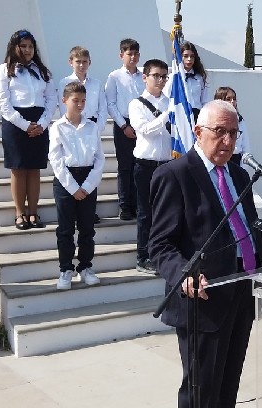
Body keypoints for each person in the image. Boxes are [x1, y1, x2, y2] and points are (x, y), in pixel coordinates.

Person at [149, 100, 262, 408]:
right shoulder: (174, 175)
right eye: (220, 131)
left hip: (243, 291)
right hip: (203, 297)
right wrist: (184, 274)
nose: (228, 141)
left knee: (227, 386)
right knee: (201, 391)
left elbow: (249, 231)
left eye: (234, 133)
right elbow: (160, 245)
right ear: (198, 132)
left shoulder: (239, 175)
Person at [0, 29, 57, 230]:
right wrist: (24, 124)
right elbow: (3, 103)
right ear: (14, 47)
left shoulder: (43, 71)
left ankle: (33, 212)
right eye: (23, 46)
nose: (27, 50)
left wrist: (43, 123)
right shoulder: (3, 70)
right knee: (19, 168)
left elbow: (51, 99)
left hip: (39, 121)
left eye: (30, 46)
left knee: (34, 169)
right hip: (15, 123)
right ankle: (19, 213)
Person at [49, 82, 104, 290]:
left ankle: (85, 266)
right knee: (65, 229)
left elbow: (99, 158)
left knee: (87, 228)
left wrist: (87, 186)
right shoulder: (57, 127)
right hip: (66, 179)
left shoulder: (92, 127)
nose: (80, 105)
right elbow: (56, 159)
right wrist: (73, 188)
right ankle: (66, 269)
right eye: (75, 101)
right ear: (64, 101)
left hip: (88, 177)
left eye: (83, 101)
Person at [128, 59, 172, 275]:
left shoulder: (170, 102)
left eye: (164, 76)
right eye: (156, 76)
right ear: (145, 77)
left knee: (166, 212)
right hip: (146, 165)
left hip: (167, 164)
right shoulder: (136, 104)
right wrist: (166, 116)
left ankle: (162, 253)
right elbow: (145, 130)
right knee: (146, 213)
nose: (160, 80)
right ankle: (143, 256)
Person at [57, 46, 107, 224]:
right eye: (78, 61)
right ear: (71, 62)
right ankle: (74, 211)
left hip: (91, 128)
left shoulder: (97, 84)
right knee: (76, 164)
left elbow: (102, 109)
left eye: (85, 62)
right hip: (72, 127)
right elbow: (64, 107)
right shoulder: (64, 83)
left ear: (89, 63)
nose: (81, 65)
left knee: (90, 165)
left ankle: (89, 211)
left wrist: (96, 129)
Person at [105, 38, 144, 221]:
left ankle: (137, 204)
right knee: (125, 167)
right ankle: (125, 205)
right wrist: (123, 125)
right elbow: (111, 104)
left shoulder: (144, 76)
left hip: (141, 124)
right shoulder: (114, 76)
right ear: (122, 55)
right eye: (129, 54)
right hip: (123, 124)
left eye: (136, 54)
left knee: (139, 166)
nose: (133, 57)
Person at [165, 41, 210, 122]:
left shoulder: (200, 78)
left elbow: (205, 101)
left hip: (196, 115)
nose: (189, 59)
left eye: (192, 56)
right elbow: (166, 97)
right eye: (185, 56)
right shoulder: (173, 77)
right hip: (180, 116)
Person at [213, 87, 251, 165]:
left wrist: (242, 168)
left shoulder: (240, 120)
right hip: (219, 159)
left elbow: (246, 147)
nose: (232, 101)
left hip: (236, 160)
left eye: (234, 99)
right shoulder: (212, 120)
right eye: (228, 99)